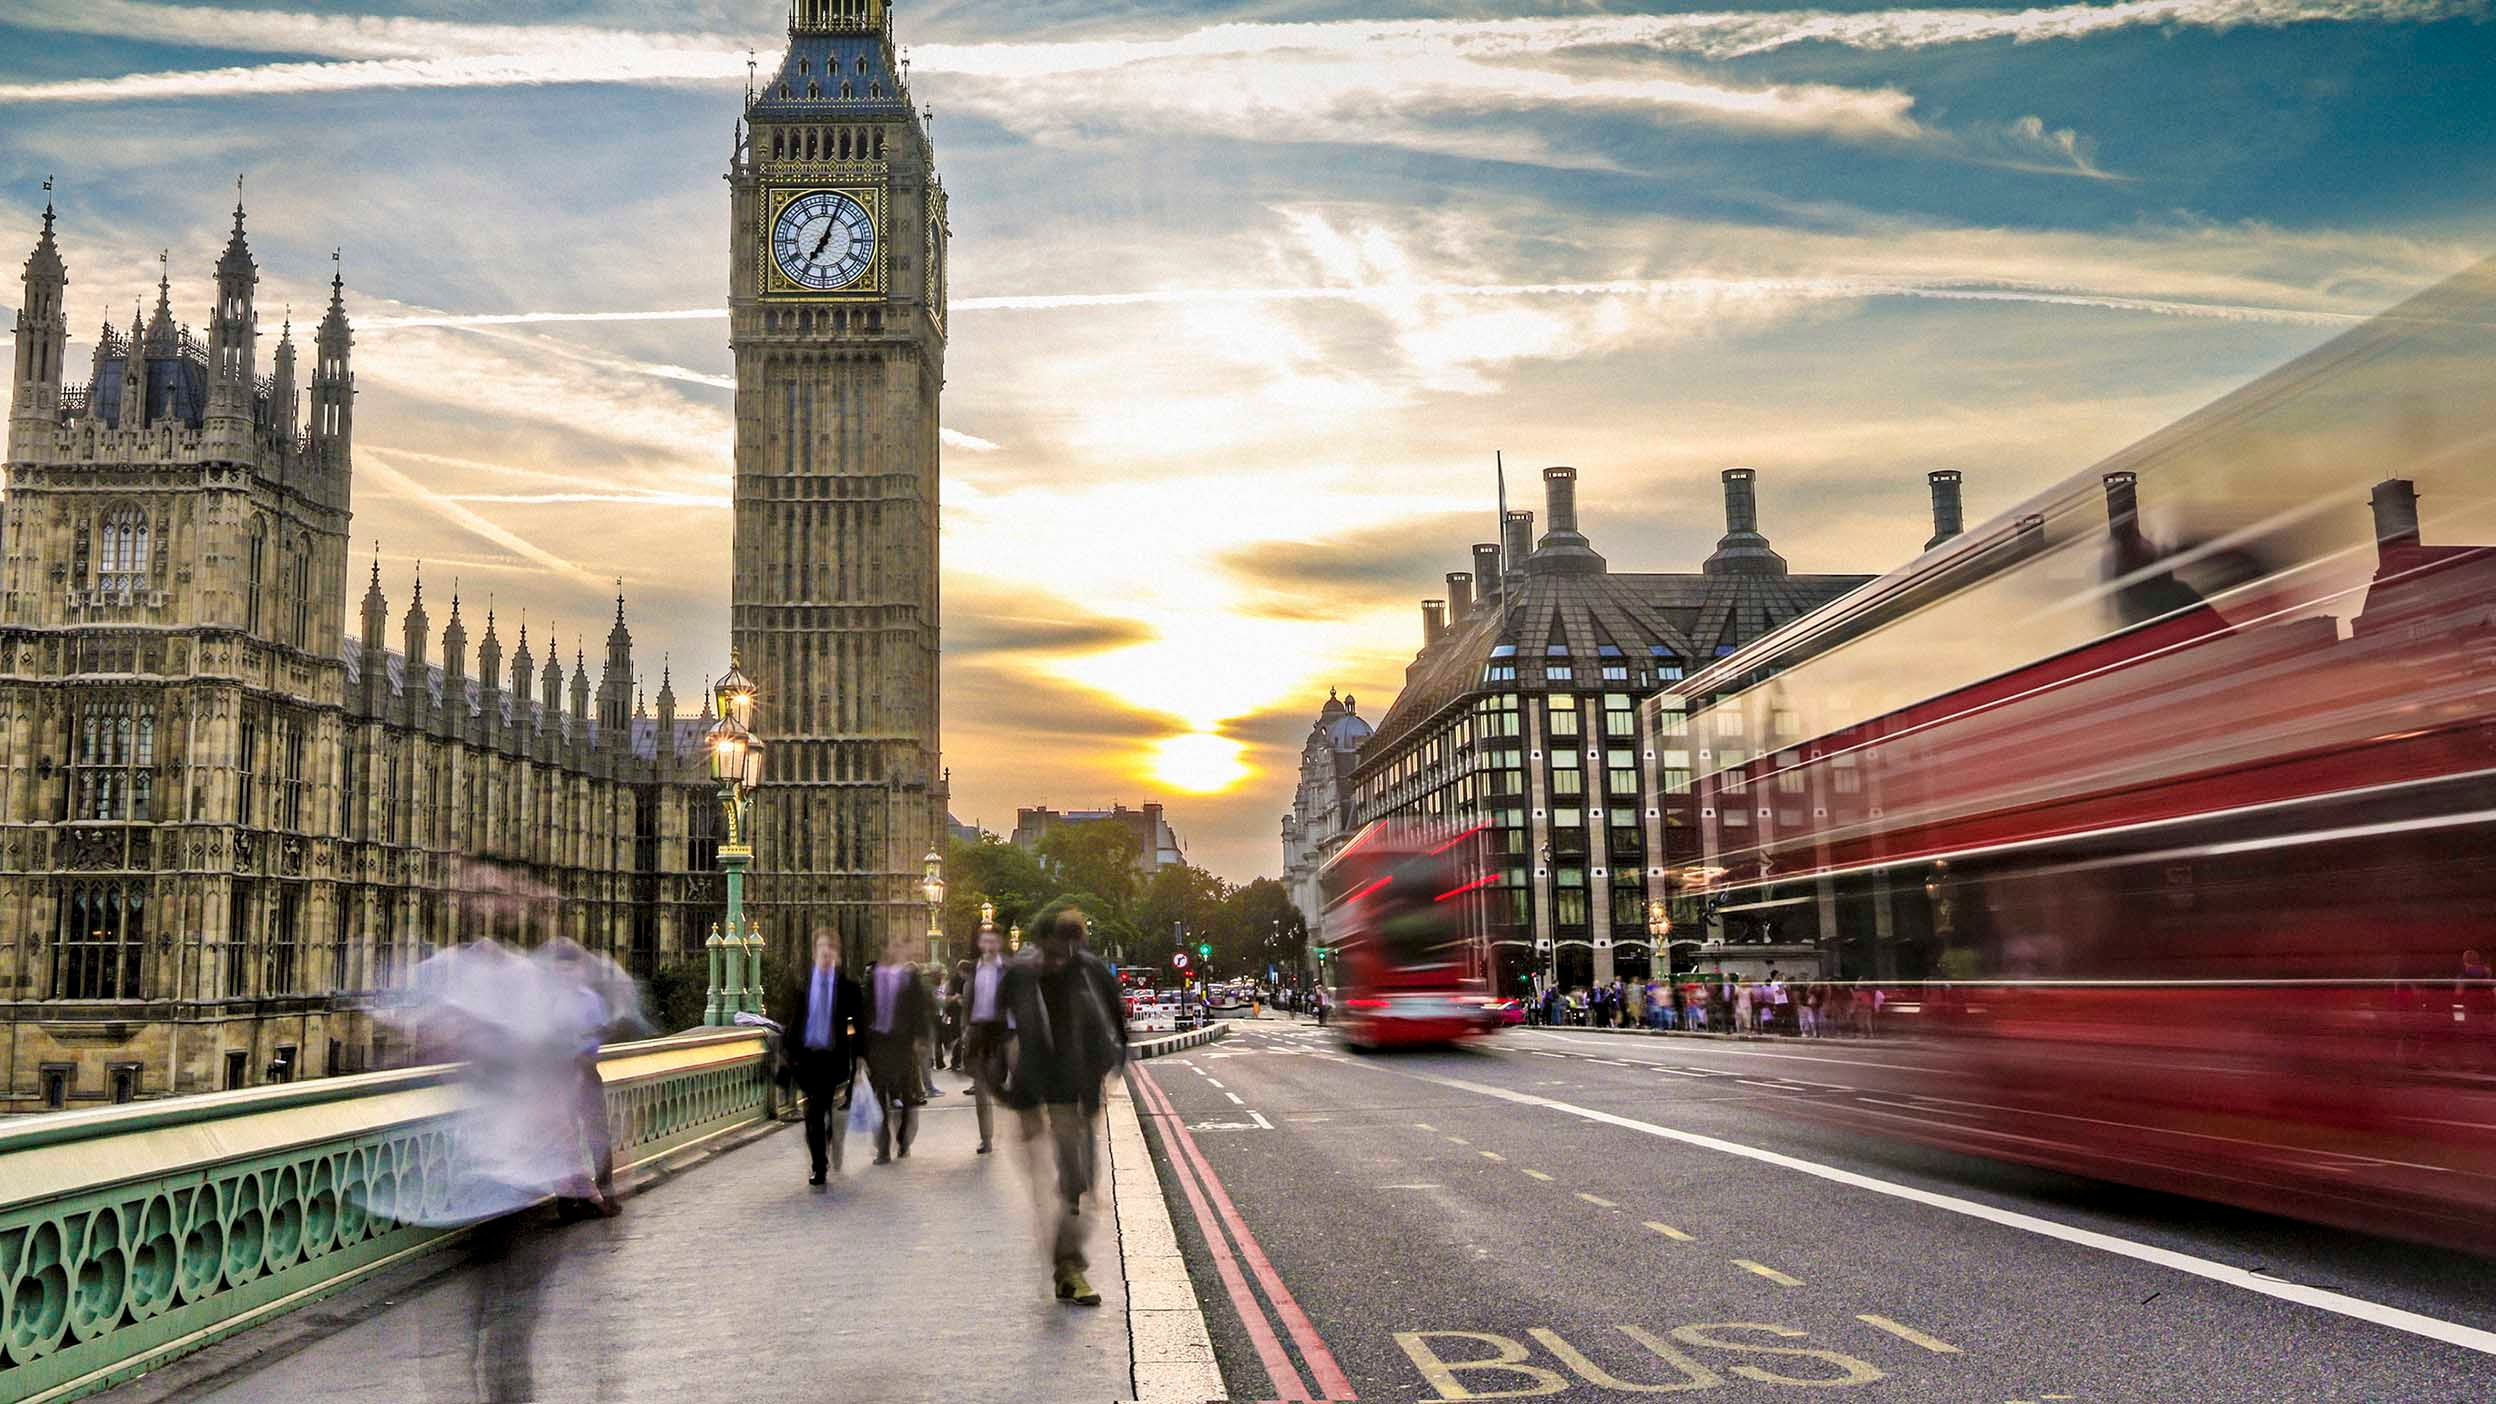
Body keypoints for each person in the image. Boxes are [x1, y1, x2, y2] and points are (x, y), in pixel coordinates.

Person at [999, 908, 1129, 1306]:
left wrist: (1107, 1069)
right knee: (1063, 1185)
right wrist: (1003, 1088)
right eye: (1051, 952)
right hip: (1037, 1097)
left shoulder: (1090, 972)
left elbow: (1116, 1027)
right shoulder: (1021, 977)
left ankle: (1065, 1265)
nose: (1057, 960)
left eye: (1066, 951)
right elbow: (988, 1030)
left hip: (1079, 1093)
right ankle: (1069, 1269)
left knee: (1080, 1183)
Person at [786, 928, 862, 1186]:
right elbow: (794, 1021)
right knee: (814, 1112)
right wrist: (788, 1054)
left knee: (818, 1109)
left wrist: (861, 1056)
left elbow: (860, 1024)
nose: (826, 953)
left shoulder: (848, 988)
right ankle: (819, 1164)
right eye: (821, 948)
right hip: (807, 1058)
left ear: (837, 954)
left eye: (831, 949)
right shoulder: (802, 983)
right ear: (815, 952)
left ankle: (823, 1153)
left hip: (832, 1058)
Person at [861, 934, 934, 1164]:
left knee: (906, 1093)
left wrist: (921, 1039)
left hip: (903, 1042)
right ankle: (883, 1147)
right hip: (879, 1041)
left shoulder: (910, 979)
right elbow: (865, 1011)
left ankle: (903, 1138)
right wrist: (862, 1049)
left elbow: (920, 1010)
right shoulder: (874, 977)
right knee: (880, 1093)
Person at [960, 925, 1011, 1153]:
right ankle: (986, 1138)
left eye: (993, 941)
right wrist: (965, 1029)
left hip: (1006, 1033)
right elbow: (967, 1004)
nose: (989, 946)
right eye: (984, 941)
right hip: (980, 1033)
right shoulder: (973, 971)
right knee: (981, 1088)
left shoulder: (1009, 970)